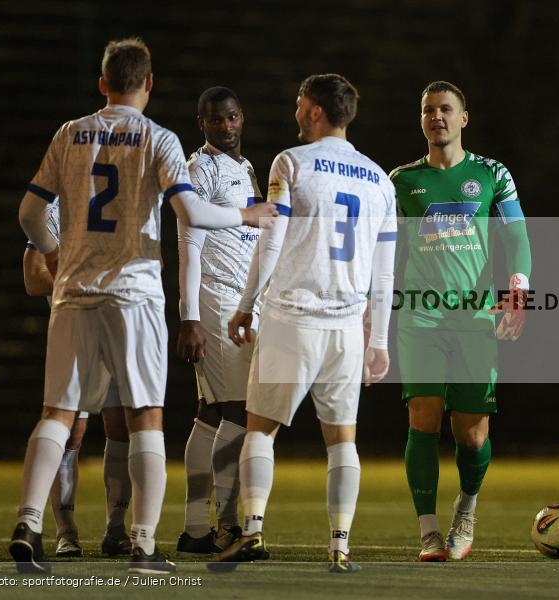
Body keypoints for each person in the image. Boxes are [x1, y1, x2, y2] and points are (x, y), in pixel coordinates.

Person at [11, 37, 275, 575]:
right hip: (133, 295)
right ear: (149, 84)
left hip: (75, 293)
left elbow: (29, 214)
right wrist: (245, 216)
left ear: (102, 83)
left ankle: (28, 523)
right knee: (145, 417)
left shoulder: (69, 133)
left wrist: (54, 254)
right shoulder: (159, 138)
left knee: (57, 413)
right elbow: (191, 214)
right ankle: (143, 545)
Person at [211, 73, 396, 574]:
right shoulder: (379, 180)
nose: (295, 112)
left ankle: (252, 530)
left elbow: (271, 237)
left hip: (292, 316)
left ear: (315, 110)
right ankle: (340, 546)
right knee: (342, 440)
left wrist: (246, 303)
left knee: (260, 430)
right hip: (346, 327)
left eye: (299, 104)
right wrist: (378, 340)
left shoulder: (291, 162)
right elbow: (384, 271)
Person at [389, 81, 531, 562]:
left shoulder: (492, 173)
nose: (437, 117)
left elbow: (517, 235)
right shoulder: (401, 180)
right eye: (428, 110)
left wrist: (517, 290)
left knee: (472, 435)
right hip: (420, 315)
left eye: (446, 109)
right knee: (423, 416)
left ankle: (465, 509)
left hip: (475, 317)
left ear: (463, 118)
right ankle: (428, 530)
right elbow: (383, 248)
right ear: (421, 119)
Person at [175, 86, 262, 556]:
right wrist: (190, 317)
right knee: (238, 410)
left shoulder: (245, 168)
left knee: (210, 413)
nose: (224, 126)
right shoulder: (200, 168)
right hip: (217, 299)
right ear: (201, 123)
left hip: (239, 301)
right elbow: (189, 244)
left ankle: (195, 530)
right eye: (214, 120)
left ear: (241, 117)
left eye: (230, 118)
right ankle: (228, 526)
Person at [23, 200, 135, 559]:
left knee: (123, 425)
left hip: (119, 328)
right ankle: (66, 533)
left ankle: (116, 530)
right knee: (71, 431)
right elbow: (33, 278)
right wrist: (83, 284)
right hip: (75, 332)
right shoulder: (54, 210)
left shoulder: (123, 201)